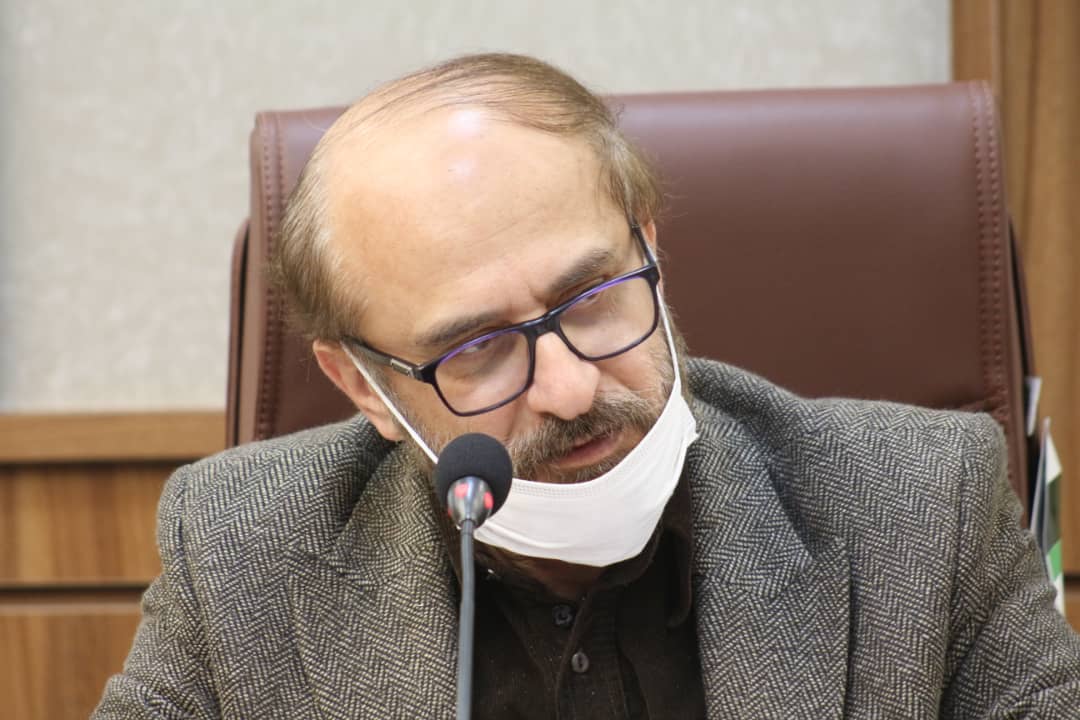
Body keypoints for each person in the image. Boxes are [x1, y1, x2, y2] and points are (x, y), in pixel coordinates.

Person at [95, 53, 1080, 719]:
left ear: (650, 250)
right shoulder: (244, 553)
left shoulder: (923, 506)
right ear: (363, 387)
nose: (568, 389)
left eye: (593, 296)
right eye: (477, 348)